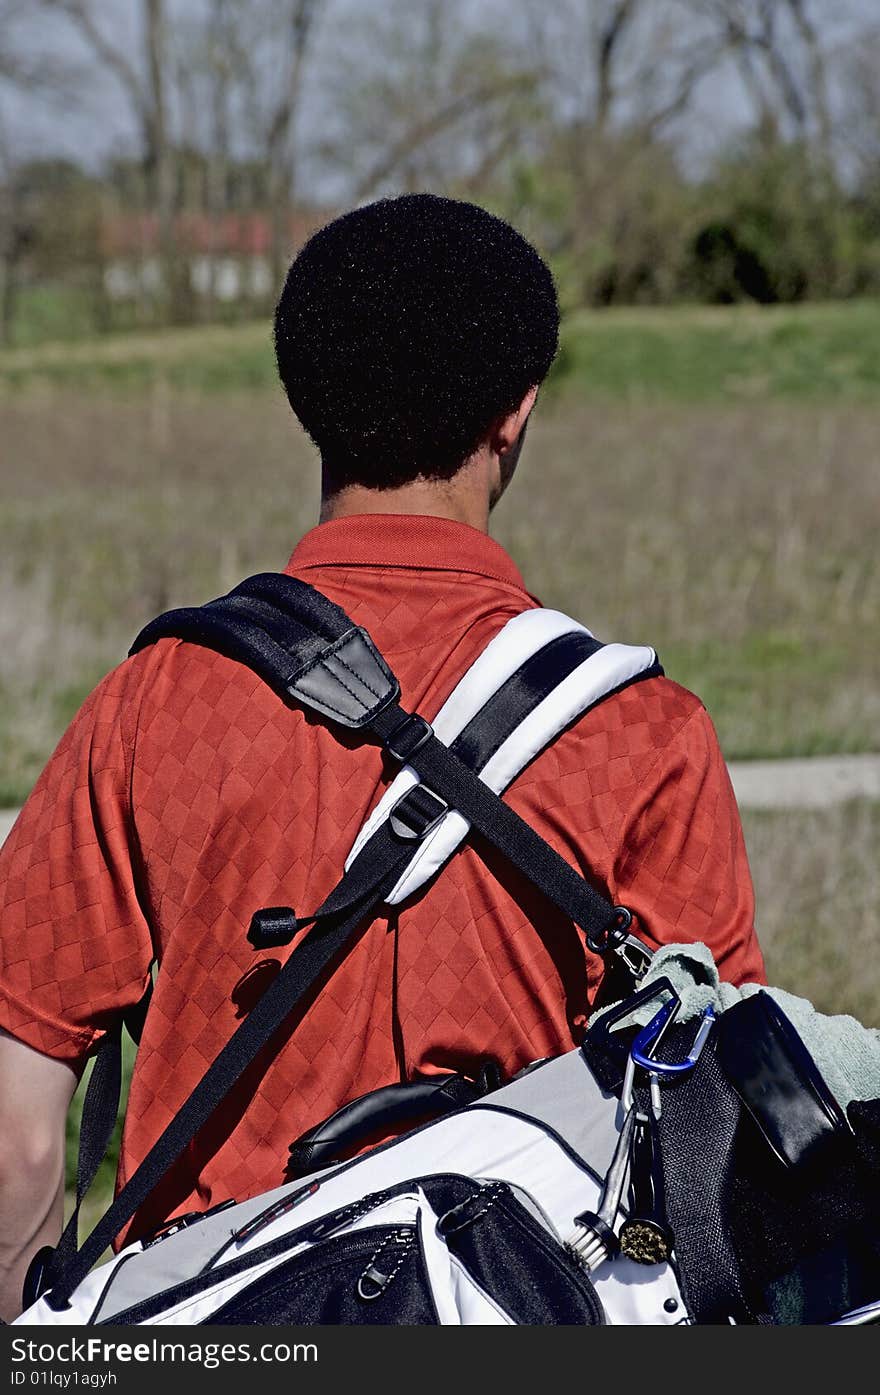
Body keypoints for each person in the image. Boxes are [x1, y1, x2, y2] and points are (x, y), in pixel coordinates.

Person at [0, 193, 765, 1320]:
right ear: (516, 413)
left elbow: (19, 1130)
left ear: (305, 402)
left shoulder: (151, 703)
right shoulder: (642, 735)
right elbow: (718, 1135)